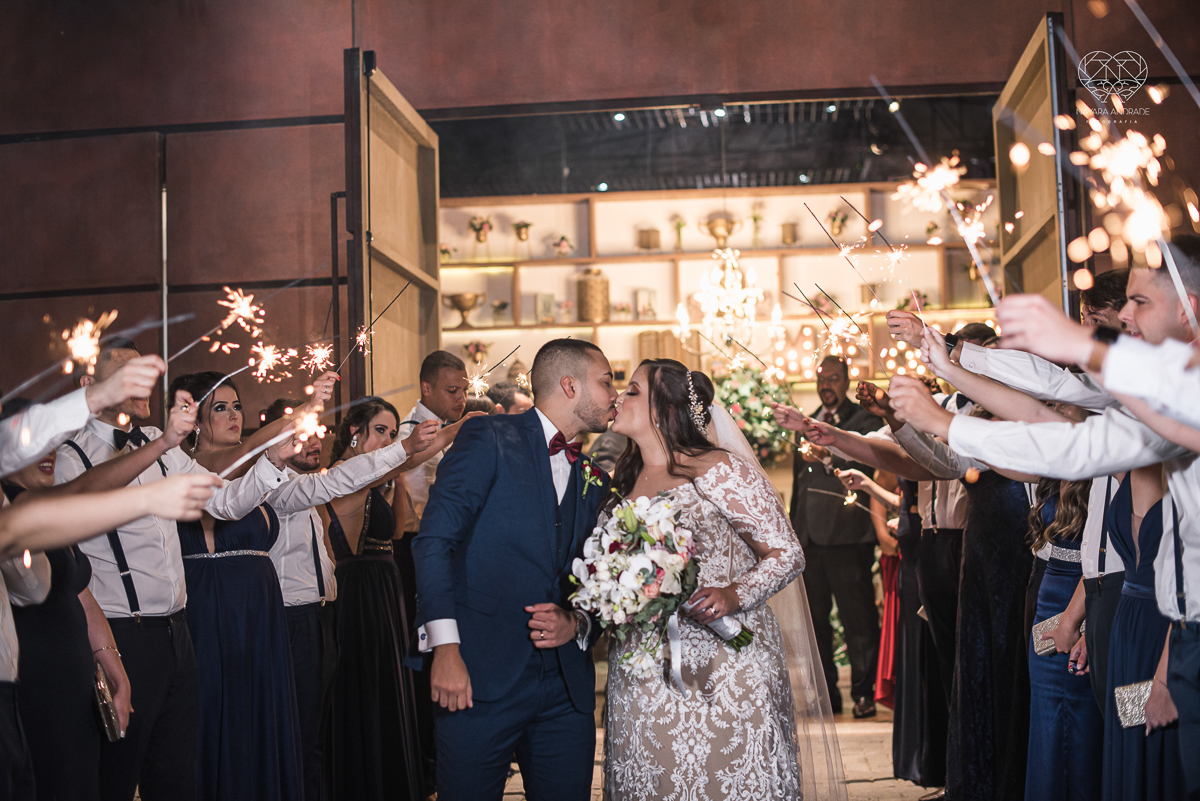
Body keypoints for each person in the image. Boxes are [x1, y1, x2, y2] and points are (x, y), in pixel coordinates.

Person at [53, 338, 302, 801]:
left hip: (179, 634)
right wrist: (165, 441)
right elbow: (85, 508)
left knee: (177, 777)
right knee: (116, 776)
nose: (143, 385)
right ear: (90, 385)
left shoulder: (157, 443)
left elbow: (224, 502)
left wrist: (272, 461)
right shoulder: (72, 455)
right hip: (123, 635)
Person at [600, 358, 846, 800]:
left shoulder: (717, 469)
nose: (619, 397)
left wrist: (734, 594)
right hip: (641, 669)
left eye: (632, 390)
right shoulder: (623, 478)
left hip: (724, 665)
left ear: (665, 409)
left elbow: (787, 552)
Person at [412, 338, 617, 801]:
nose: (614, 395)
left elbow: (604, 573)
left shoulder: (595, 478)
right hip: (477, 674)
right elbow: (434, 543)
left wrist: (578, 622)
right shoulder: (488, 437)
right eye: (606, 382)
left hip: (565, 688)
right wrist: (445, 649)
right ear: (570, 386)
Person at [320, 398, 434, 801]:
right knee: (364, 686)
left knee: (388, 684)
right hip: (358, 588)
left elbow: (398, 531)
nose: (388, 439)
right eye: (381, 431)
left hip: (386, 586)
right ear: (356, 433)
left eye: (392, 432)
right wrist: (452, 431)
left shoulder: (381, 477)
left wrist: (398, 480)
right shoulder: (342, 475)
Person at [789, 355, 884, 717]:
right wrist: (795, 531)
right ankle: (826, 694)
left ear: (845, 381)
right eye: (821, 379)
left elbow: (867, 464)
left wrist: (828, 455)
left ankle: (863, 693)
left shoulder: (863, 421)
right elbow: (800, 484)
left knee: (857, 619)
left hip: (848, 535)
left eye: (833, 378)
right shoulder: (807, 423)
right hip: (810, 538)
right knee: (816, 621)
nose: (826, 385)